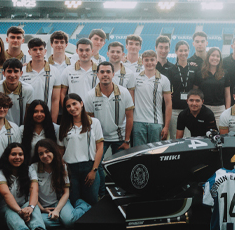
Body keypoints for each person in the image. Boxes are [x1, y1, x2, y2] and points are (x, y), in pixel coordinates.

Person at [87, 61, 134, 197]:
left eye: (108, 72)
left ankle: (122, 193)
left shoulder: (124, 93)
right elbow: (90, 121)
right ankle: (102, 194)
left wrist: (127, 140)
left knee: (121, 168)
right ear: (97, 74)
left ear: (113, 74)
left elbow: (129, 118)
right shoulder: (90, 95)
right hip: (100, 139)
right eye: (102, 72)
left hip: (120, 138)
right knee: (97, 166)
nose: (105, 75)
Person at [0, 143, 47, 230]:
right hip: (3, 212)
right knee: (10, 209)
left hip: (22, 208)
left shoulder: (29, 170)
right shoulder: (0, 174)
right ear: (7, 156)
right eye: (13, 154)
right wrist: (19, 211)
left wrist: (30, 208)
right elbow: (6, 194)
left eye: (20, 154)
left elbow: (34, 190)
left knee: (32, 205)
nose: (17, 157)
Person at [57, 94, 104, 206]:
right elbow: (60, 151)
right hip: (71, 170)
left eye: (74, 104)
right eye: (68, 106)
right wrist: (64, 171)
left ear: (81, 103)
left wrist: (94, 170)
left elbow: (100, 147)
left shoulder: (94, 122)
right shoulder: (63, 126)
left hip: (89, 168)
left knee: (91, 203)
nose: (72, 108)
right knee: (74, 202)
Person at [34, 139, 90, 229]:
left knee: (68, 222)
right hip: (43, 205)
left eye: (47, 152)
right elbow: (32, 193)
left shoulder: (62, 167)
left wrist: (57, 210)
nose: (45, 156)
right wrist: (42, 209)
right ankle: (65, 217)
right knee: (44, 222)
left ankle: (83, 206)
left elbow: (66, 193)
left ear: (53, 151)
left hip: (60, 202)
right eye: (41, 154)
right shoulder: (33, 168)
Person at [132, 50, 173, 144]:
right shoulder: (134, 77)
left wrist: (166, 126)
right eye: (146, 60)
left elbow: (168, 103)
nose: (149, 63)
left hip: (156, 123)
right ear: (142, 62)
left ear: (156, 61)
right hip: (138, 122)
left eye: (152, 60)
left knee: (154, 154)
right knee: (138, 154)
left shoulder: (164, 79)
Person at [21, 37, 61, 123]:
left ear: (45, 51)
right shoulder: (22, 71)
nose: (38, 52)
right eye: (34, 49)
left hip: (46, 117)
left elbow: (55, 99)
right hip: (27, 118)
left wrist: (53, 122)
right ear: (29, 52)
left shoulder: (54, 71)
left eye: (40, 49)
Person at [56, 37, 98, 111]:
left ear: (92, 51)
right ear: (76, 51)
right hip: (74, 112)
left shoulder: (100, 70)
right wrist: (67, 111)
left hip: (94, 112)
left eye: (87, 50)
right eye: (81, 50)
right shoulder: (68, 71)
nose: (84, 53)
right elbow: (62, 93)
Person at [0, 58, 34, 127]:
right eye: (9, 71)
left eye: (16, 71)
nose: (12, 75)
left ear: (21, 73)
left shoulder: (28, 89)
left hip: (21, 127)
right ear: (3, 73)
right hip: (0, 128)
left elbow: (28, 113)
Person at [194, 47, 231, 120]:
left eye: (218, 56)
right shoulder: (200, 73)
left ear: (220, 59)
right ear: (208, 57)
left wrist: (227, 110)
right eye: (213, 55)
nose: (215, 58)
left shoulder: (225, 73)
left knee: (220, 131)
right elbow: (195, 92)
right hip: (203, 108)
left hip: (220, 110)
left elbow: (227, 94)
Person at [170, 41, 199, 113]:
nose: (183, 53)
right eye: (180, 50)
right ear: (176, 52)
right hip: (175, 108)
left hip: (190, 108)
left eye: (185, 50)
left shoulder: (194, 68)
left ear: (189, 51)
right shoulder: (171, 69)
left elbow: (196, 88)